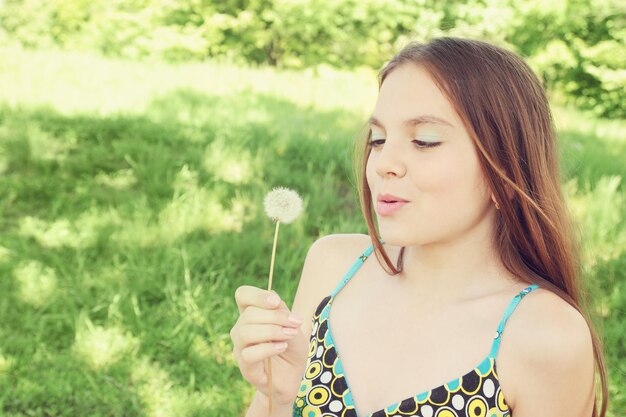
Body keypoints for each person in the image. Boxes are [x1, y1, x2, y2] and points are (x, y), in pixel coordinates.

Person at [229, 37, 608, 417]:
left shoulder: (545, 337)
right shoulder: (333, 266)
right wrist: (279, 398)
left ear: (505, 174)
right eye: (378, 139)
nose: (382, 163)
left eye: (424, 141)